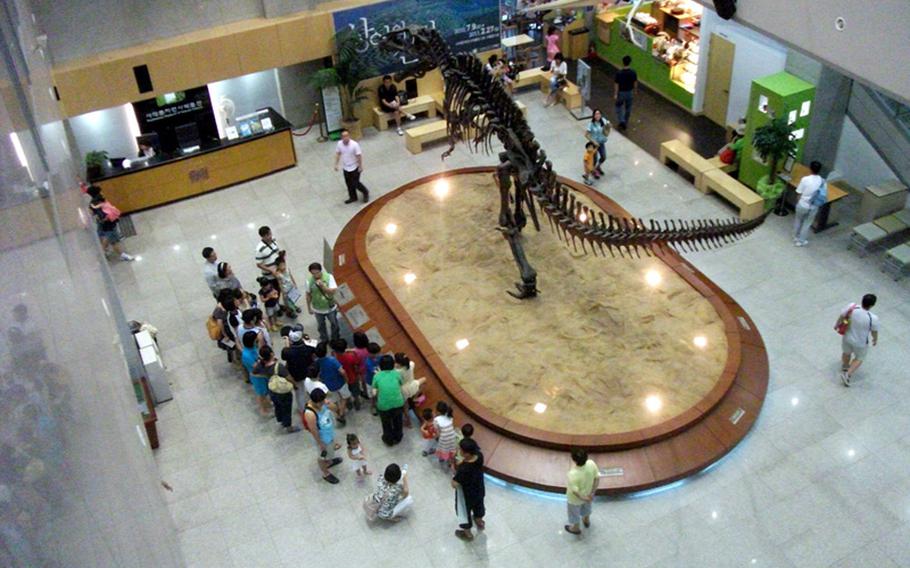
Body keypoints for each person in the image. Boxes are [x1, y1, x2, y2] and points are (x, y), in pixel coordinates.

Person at [837, 294, 880, 387]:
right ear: (872, 305)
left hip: (847, 337)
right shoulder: (873, 318)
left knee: (846, 352)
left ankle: (845, 366)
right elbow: (874, 331)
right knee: (859, 358)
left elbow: (842, 316)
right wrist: (875, 339)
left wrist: (837, 325)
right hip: (861, 342)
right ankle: (847, 374)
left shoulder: (852, 307)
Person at [301, 388, 342, 484]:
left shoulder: (323, 403)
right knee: (322, 456)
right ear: (314, 401)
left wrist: (328, 404)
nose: (322, 404)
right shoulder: (310, 413)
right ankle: (325, 473)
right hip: (322, 438)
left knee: (330, 450)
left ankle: (329, 462)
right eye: (320, 402)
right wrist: (320, 443)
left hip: (329, 434)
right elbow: (313, 430)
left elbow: (336, 409)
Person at [258, 346, 299, 433]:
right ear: (271, 354)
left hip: (272, 390)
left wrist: (266, 376)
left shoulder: (261, 365)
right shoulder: (279, 367)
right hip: (283, 392)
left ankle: (280, 419)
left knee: (277, 406)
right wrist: (295, 385)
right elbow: (289, 378)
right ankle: (289, 426)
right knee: (286, 408)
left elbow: (254, 372)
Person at [86, 186, 134, 261]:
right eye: (100, 191)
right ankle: (121, 255)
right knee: (113, 241)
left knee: (104, 237)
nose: (102, 193)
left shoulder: (92, 203)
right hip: (109, 224)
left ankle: (104, 251)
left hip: (102, 224)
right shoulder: (101, 199)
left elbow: (91, 214)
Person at [452, 438, 485, 541]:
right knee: (479, 505)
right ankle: (479, 521)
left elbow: (455, 484)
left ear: (466, 453)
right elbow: (468, 462)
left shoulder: (463, 470)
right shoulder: (479, 456)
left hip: (467, 495)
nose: (459, 450)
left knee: (463, 512)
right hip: (479, 489)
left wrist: (454, 467)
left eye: (460, 449)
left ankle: (467, 534)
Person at [564, 448, 599, 535]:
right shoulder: (592, 464)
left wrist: (583, 498)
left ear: (574, 460)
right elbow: (597, 479)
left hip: (575, 500)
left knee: (574, 513)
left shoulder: (572, 474)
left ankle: (575, 528)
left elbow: (575, 492)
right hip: (588, 494)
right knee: (587, 508)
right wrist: (591, 494)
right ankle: (586, 520)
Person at [373, 354, 405, 446]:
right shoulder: (397, 374)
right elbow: (401, 383)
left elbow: (374, 388)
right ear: (393, 365)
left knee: (386, 423)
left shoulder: (377, 376)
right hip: (398, 403)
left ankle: (388, 439)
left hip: (383, 406)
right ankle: (398, 437)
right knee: (398, 421)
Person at [792, 161, 826, 247]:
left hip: (802, 204)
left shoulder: (805, 179)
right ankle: (801, 241)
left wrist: (798, 202)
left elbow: (799, 193)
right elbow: (823, 194)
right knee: (807, 224)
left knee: (798, 220)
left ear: (810, 168)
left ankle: (795, 237)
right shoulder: (822, 181)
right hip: (813, 206)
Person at [315, 341, 350, 425]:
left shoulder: (317, 362)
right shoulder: (332, 360)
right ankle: (341, 413)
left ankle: (337, 411)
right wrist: (346, 379)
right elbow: (342, 371)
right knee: (344, 397)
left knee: (335, 400)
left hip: (329, 385)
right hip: (340, 382)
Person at [305, 262, 340, 342]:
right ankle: (324, 339)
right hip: (317, 309)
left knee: (334, 324)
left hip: (330, 307)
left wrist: (323, 287)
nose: (316, 275)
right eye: (313, 273)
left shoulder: (329, 277)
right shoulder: (308, 281)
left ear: (321, 271)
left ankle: (335, 339)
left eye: (317, 273)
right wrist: (309, 308)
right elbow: (308, 295)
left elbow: (333, 291)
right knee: (321, 326)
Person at [334, 128, 370, 204]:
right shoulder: (339, 144)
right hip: (346, 167)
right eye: (344, 136)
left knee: (355, 183)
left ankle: (365, 192)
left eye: (347, 135)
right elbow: (338, 153)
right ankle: (353, 197)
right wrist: (336, 164)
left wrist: (360, 166)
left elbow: (359, 155)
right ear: (341, 137)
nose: (346, 137)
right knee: (349, 183)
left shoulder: (354, 145)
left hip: (355, 167)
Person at [255, 226, 286, 310]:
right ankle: (276, 306)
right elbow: (259, 264)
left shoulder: (273, 240)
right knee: (274, 291)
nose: (270, 236)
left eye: (270, 233)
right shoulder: (260, 249)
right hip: (270, 275)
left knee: (282, 288)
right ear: (263, 236)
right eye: (268, 235)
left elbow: (277, 251)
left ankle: (281, 304)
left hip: (279, 270)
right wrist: (271, 270)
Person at [335, 338, 363, 410]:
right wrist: (358, 374)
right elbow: (356, 367)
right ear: (346, 347)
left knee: (346, 394)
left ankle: (349, 405)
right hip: (353, 378)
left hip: (342, 380)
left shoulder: (335, 358)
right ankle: (357, 405)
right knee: (356, 393)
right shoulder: (351, 356)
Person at [249, 345, 276, 417]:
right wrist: (264, 376)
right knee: (261, 395)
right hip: (264, 382)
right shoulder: (260, 365)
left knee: (267, 393)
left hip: (268, 382)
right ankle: (263, 410)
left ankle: (269, 403)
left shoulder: (268, 362)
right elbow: (253, 373)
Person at [614, 55, 637, 130]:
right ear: (630, 62)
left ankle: (622, 120)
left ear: (622, 62)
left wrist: (615, 94)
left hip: (621, 92)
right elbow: (635, 83)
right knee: (628, 107)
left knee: (619, 106)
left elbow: (616, 84)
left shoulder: (619, 73)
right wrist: (635, 91)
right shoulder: (633, 72)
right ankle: (625, 121)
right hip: (629, 92)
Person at [586, 109, 611, 178]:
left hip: (601, 142)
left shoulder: (603, 121)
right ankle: (593, 171)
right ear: (593, 115)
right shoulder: (591, 124)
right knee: (595, 159)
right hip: (594, 144)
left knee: (603, 157)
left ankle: (598, 167)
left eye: (599, 114)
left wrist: (608, 127)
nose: (597, 115)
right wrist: (594, 141)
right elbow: (586, 134)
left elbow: (606, 132)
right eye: (596, 114)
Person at [434, 401, 457, 469]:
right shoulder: (449, 415)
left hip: (444, 438)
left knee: (443, 449)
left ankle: (442, 458)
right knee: (451, 449)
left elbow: (438, 433)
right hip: (452, 436)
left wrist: (436, 437)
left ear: (438, 411)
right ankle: (450, 462)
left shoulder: (436, 420)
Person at [364, 342, 382, 415]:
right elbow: (376, 372)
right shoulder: (368, 362)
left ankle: (378, 405)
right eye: (375, 354)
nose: (377, 355)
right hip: (370, 382)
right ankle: (373, 407)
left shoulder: (380, 357)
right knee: (372, 396)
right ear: (369, 353)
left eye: (378, 353)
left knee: (378, 395)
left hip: (378, 382)